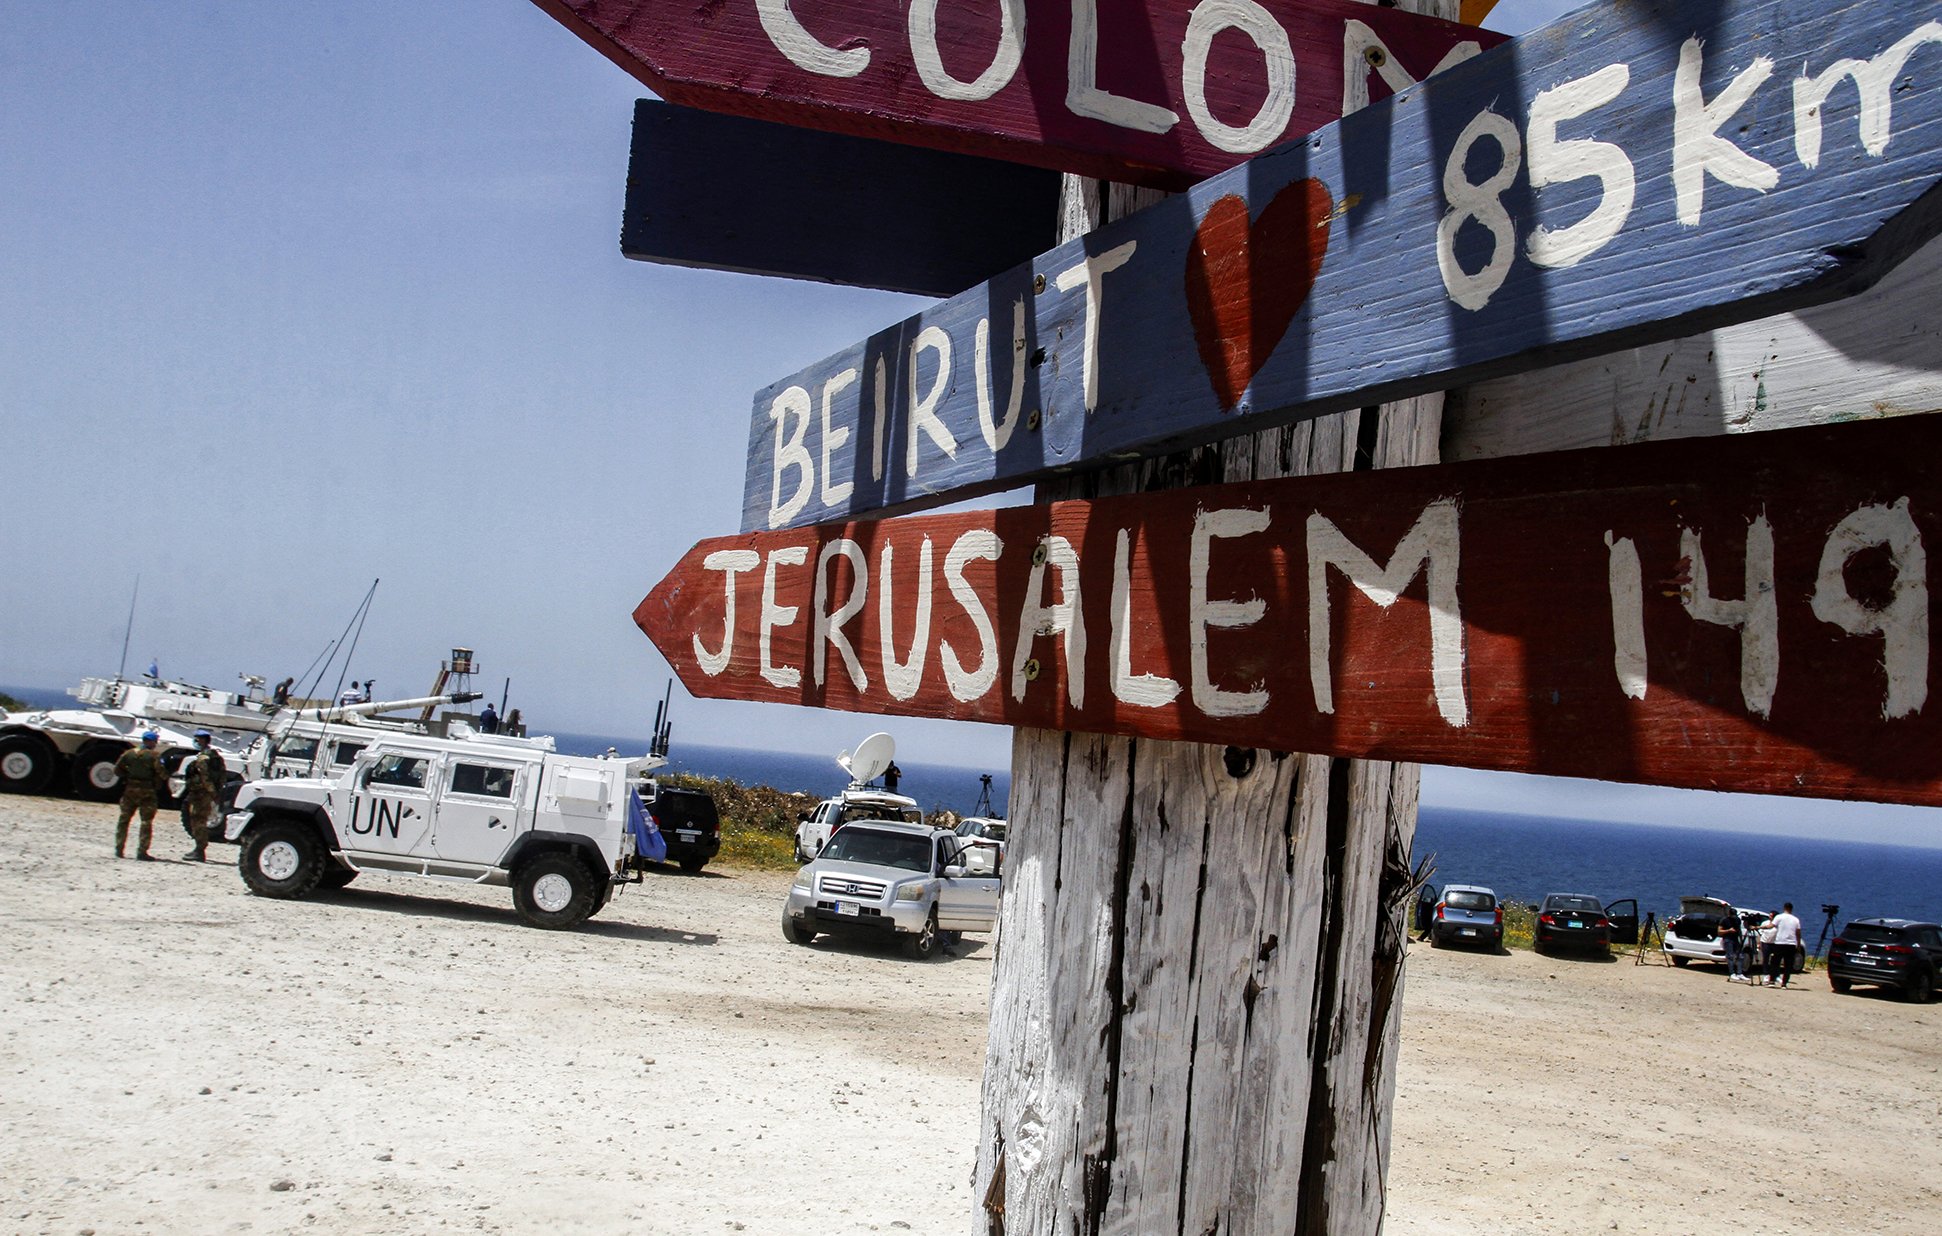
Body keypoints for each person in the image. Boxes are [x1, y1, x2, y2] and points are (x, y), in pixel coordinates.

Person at [112, 731, 167, 860]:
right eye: (155, 741)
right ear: (150, 741)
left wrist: (128, 776)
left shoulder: (129, 753)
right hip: (147, 791)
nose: (155, 744)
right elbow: (162, 773)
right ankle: (142, 851)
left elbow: (117, 770)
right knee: (146, 822)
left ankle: (119, 848)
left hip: (130, 790)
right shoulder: (154, 756)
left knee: (124, 820)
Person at [179, 729, 227, 862]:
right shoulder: (216, 756)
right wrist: (217, 792)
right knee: (202, 820)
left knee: (198, 821)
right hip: (209, 793)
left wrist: (212, 792)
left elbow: (205, 778)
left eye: (199, 739)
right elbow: (223, 775)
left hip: (201, 794)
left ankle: (199, 850)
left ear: (204, 740)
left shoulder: (203, 758)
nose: (197, 741)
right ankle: (199, 849)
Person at [1766, 902, 1804, 987]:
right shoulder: (1796, 919)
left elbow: (1771, 926)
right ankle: (1784, 983)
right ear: (1791, 909)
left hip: (1780, 942)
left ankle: (1772, 981)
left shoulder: (1779, 917)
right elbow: (1798, 933)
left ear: (1784, 908)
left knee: (1775, 962)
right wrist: (1798, 945)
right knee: (1788, 965)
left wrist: (1759, 927)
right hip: (1790, 944)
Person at [1718, 908, 1747, 982]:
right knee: (1730, 956)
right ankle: (1732, 973)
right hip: (1727, 939)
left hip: (1735, 939)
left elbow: (1739, 929)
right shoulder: (1724, 920)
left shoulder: (1737, 920)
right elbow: (1719, 931)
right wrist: (1728, 930)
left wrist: (1740, 938)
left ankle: (1740, 973)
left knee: (1740, 956)